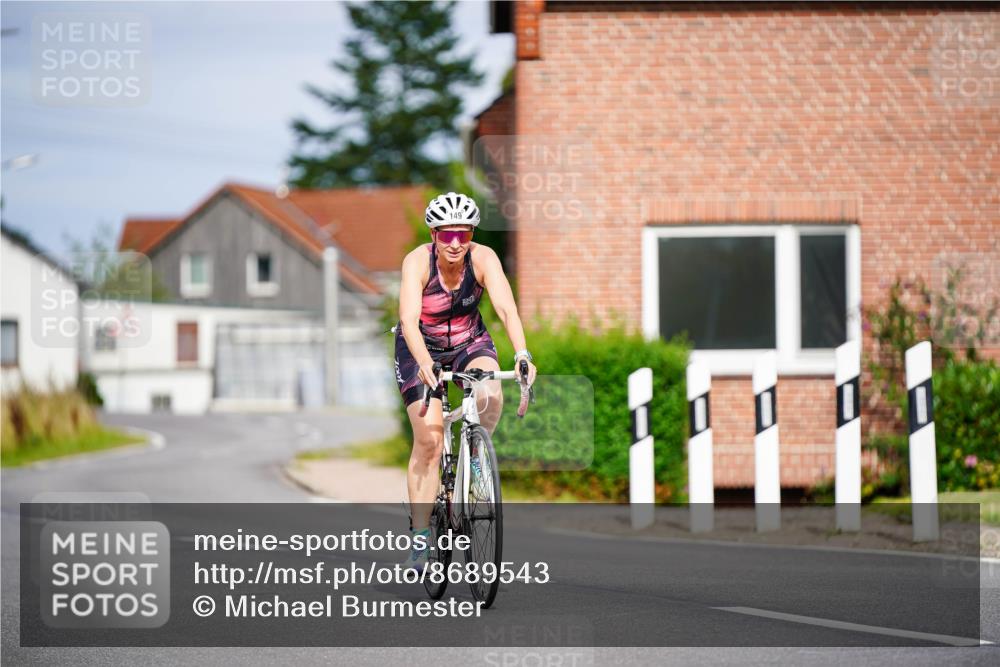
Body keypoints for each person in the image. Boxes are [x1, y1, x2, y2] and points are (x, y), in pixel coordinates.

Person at [395, 192, 537, 570]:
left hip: (468, 340)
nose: (455, 243)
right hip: (419, 346)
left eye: (463, 233)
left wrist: (522, 354)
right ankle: (422, 535)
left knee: (491, 395)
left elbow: (506, 308)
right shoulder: (418, 263)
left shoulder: (483, 258)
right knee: (429, 438)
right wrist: (425, 363)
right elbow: (408, 319)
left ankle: (475, 459)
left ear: (472, 232)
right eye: (446, 235)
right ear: (433, 233)